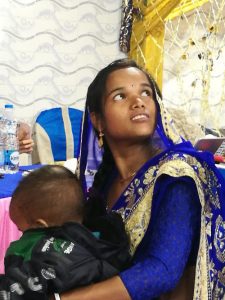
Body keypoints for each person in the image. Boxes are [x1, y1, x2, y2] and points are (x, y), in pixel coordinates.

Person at [57, 58, 225, 300]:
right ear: (98, 121)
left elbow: (161, 271)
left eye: (146, 93)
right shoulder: (107, 181)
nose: (138, 102)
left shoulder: (177, 175)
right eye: (119, 96)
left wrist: (63, 299)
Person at [0, 165, 130, 299]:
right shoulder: (102, 240)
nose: (20, 234)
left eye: (21, 228)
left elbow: (14, 291)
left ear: (40, 225)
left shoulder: (36, 253)